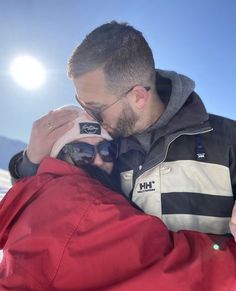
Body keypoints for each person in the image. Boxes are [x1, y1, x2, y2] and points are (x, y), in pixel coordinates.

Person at [9, 21, 236, 235]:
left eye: (96, 107)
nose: (88, 116)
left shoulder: (228, 140)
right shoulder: (104, 151)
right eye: (82, 105)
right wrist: (30, 162)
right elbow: (49, 207)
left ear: (138, 96)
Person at [1, 114, 236, 291]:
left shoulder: (40, 195)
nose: (98, 160)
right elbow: (184, 286)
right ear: (56, 157)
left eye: (106, 150)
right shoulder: (84, 205)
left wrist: (27, 166)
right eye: (81, 152)